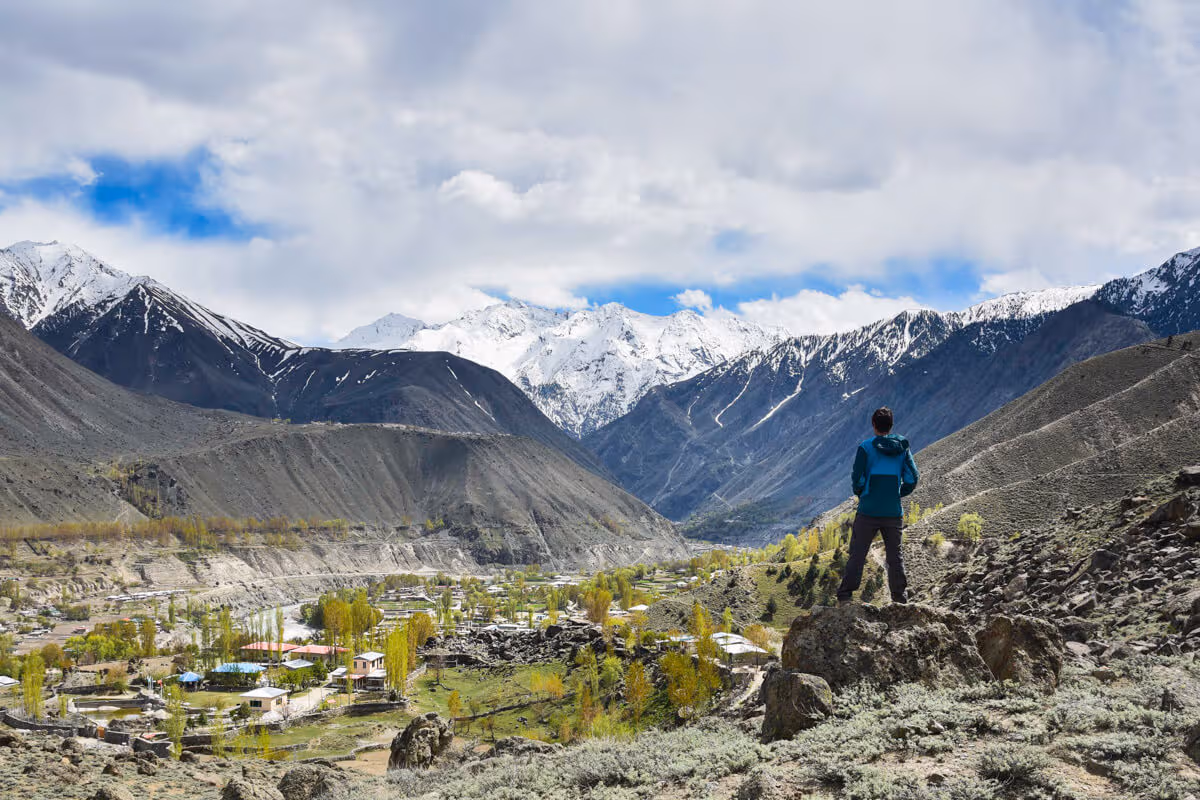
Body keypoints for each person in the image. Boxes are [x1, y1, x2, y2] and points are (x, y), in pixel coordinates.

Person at [837, 406, 919, 605]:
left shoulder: (866, 448)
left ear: (874, 425)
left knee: (858, 553)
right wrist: (897, 494)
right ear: (891, 426)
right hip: (893, 511)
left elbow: (856, 478)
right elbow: (912, 478)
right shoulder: (902, 448)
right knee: (895, 556)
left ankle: (845, 595)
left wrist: (863, 493)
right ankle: (900, 600)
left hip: (868, 510)